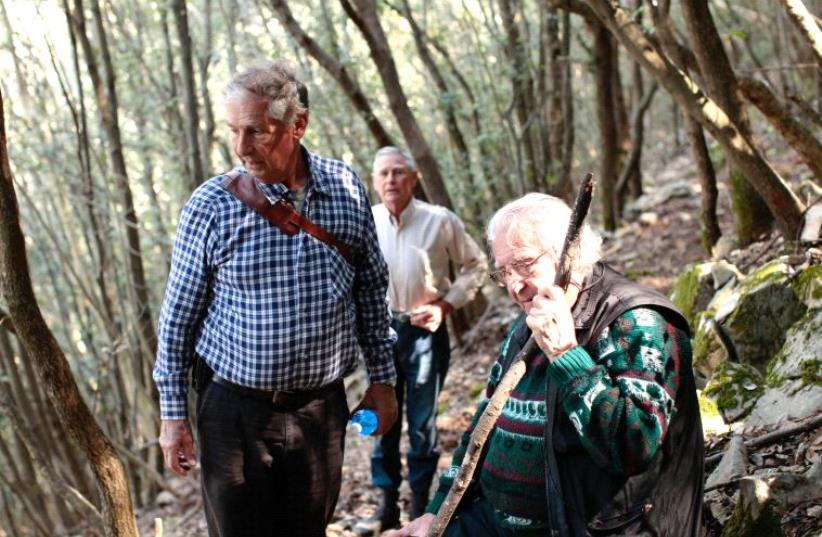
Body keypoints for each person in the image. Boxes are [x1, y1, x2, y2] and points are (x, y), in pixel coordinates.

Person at [153, 60, 398, 537]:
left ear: (297, 126)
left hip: (320, 411)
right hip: (233, 414)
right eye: (233, 132)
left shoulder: (346, 189)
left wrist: (383, 381)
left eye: (256, 132)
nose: (242, 148)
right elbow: (177, 318)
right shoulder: (210, 206)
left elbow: (370, 289)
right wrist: (172, 414)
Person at [387, 193, 704, 537]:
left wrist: (567, 355)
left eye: (524, 265)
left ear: (570, 255)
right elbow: (483, 424)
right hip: (495, 521)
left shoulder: (639, 322)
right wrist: (436, 513)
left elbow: (634, 446)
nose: (514, 286)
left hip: (590, 527)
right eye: (504, 272)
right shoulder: (527, 324)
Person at [355, 147, 488, 535]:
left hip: (425, 330)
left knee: (422, 423)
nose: (392, 180)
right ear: (374, 180)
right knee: (378, 420)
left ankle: (420, 508)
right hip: (377, 335)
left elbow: (477, 264)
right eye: (384, 174)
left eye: (399, 172)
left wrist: (446, 306)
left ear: (413, 178)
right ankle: (384, 509)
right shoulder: (365, 221)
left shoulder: (439, 220)